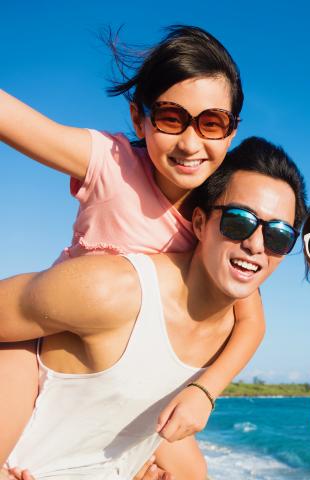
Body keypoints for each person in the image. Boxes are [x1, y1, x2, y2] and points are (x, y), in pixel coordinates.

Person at [0, 25, 263, 475]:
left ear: (232, 131)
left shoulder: (216, 217)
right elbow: (19, 122)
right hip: (39, 335)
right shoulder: (109, 162)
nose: (190, 143)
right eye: (170, 118)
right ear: (140, 118)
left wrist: (205, 390)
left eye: (212, 123)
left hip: (120, 376)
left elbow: (250, 322)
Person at [0, 136, 307, 479]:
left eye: (279, 236)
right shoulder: (111, 290)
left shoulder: (235, 328)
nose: (255, 245)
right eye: (238, 222)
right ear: (201, 223)